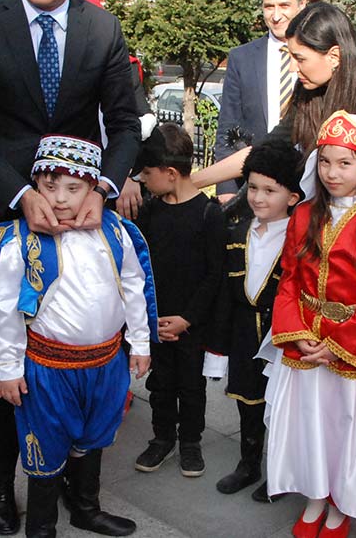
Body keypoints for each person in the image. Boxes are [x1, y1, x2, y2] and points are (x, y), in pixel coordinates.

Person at [0, 0, 140, 535]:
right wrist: (17, 195)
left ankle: (82, 498)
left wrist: (104, 188)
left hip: (80, 227)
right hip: (1, 222)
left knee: (81, 358)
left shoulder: (101, 30)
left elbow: (125, 125)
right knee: (0, 363)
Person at [0, 135, 155, 538]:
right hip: (48, 369)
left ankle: (85, 507)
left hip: (104, 363)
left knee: (94, 434)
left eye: (73, 188)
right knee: (46, 443)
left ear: (94, 188)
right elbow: (3, 308)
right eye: (49, 186)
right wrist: (9, 369)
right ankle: (42, 527)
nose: (60, 198)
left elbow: (133, 285)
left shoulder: (115, 232)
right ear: (34, 186)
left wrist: (141, 342)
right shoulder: (20, 241)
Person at [268, 110, 356, 538]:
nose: (331, 172)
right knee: (309, 422)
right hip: (305, 338)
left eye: (344, 163)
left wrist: (339, 343)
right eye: (324, 161)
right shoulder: (304, 215)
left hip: (351, 345)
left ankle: (339, 506)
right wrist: (301, 335)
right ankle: (313, 495)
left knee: (343, 426)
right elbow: (289, 278)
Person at [193, 2, 356, 227]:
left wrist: (340, 227)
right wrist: (191, 183)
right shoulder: (309, 92)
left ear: (334, 56)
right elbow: (265, 149)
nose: (292, 68)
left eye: (299, 59)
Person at [204, 139, 303, 502]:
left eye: (270, 191)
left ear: (292, 197)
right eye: (254, 188)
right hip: (245, 331)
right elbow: (227, 294)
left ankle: (279, 472)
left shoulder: (300, 236)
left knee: (280, 405)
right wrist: (219, 346)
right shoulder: (239, 234)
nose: (258, 198)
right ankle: (248, 464)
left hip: (283, 335)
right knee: (247, 401)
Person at [132, 124, 226, 477]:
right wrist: (151, 317)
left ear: (170, 173)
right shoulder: (150, 212)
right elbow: (141, 268)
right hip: (157, 319)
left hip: (190, 323)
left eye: (146, 173)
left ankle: (190, 442)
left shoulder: (208, 214)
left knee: (190, 386)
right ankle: (161, 438)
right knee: (160, 383)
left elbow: (213, 275)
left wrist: (187, 318)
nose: (142, 180)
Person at [212, 0, 308, 202]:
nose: (276, 16)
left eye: (284, 6)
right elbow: (228, 127)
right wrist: (226, 191)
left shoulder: (319, 57)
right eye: (269, 7)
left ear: (302, 5)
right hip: (254, 189)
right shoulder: (241, 58)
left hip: (309, 185)